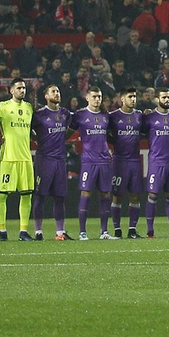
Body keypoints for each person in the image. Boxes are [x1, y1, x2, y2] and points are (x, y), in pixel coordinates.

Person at [0, 77, 36, 241]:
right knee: (2, 195)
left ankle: (23, 232)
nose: (22, 91)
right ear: (11, 90)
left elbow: (33, 131)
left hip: (25, 158)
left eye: (24, 88)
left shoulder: (29, 108)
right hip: (8, 158)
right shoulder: (2, 107)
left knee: (27, 195)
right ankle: (2, 231)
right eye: (19, 88)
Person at [31, 84, 73, 241]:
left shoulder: (65, 113)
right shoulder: (39, 115)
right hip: (44, 159)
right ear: (46, 96)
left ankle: (60, 232)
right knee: (40, 195)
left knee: (59, 197)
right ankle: (38, 231)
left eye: (58, 91)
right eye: (53, 92)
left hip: (60, 160)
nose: (56, 94)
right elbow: (28, 130)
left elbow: (71, 128)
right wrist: (38, 139)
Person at [72, 87, 114, 240]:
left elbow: (111, 136)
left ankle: (104, 231)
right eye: (95, 96)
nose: (97, 99)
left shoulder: (105, 116)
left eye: (100, 97)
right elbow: (68, 132)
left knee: (105, 194)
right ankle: (82, 232)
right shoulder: (80, 115)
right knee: (86, 193)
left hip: (104, 161)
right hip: (89, 161)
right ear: (87, 97)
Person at [144, 90, 169, 238]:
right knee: (153, 195)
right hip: (156, 162)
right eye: (164, 97)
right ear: (156, 99)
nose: (167, 100)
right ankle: (150, 231)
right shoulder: (149, 117)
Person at [109, 86, 145, 238]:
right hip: (120, 161)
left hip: (135, 161)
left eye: (134, 96)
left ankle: (132, 230)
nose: (133, 99)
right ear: (122, 99)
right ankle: (117, 230)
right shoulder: (113, 116)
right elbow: (105, 133)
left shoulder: (140, 116)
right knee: (117, 195)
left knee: (135, 195)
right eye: (130, 96)